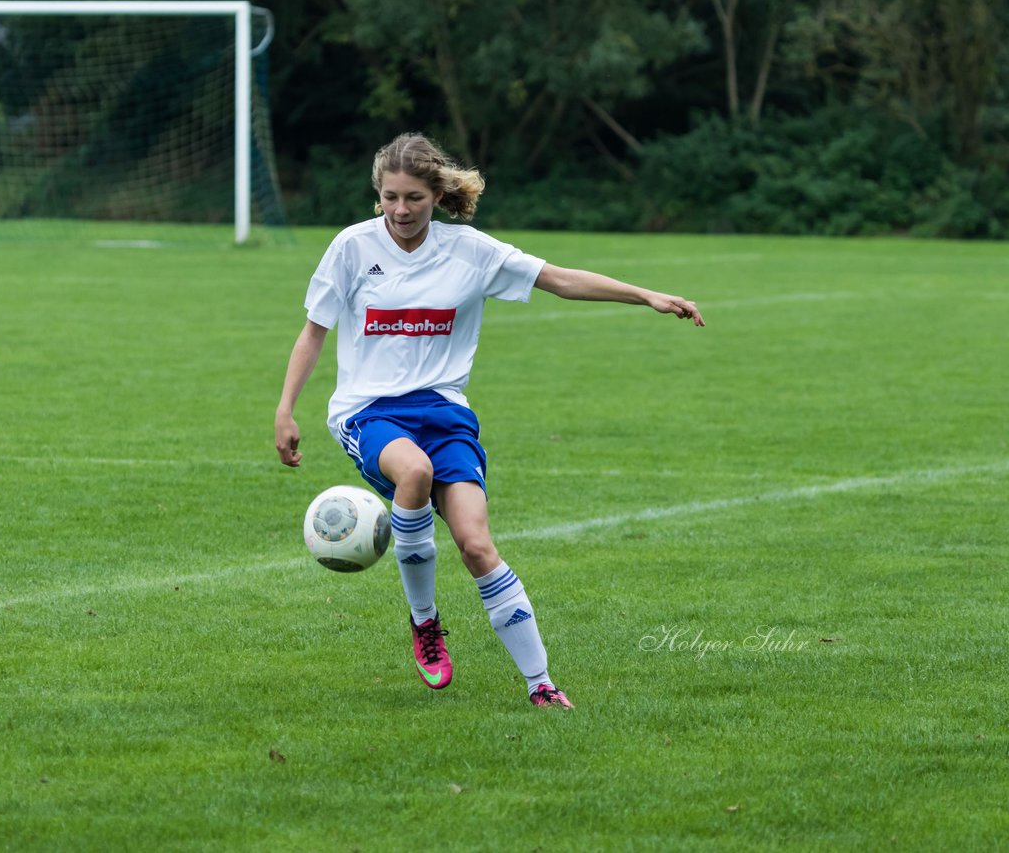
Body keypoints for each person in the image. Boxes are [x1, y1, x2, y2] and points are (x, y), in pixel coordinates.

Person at [275, 133, 704, 710]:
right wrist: (285, 409)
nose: (400, 210)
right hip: (368, 410)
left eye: (414, 198)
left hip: (446, 413)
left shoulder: (470, 251)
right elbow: (314, 331)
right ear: (377, 194)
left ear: (437, 194)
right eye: (389, 197)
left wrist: (645, 294)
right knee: (415, 473)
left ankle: (541, 685)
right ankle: (424, 622)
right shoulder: (352, 247)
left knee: (477, 545)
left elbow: (561, 279)